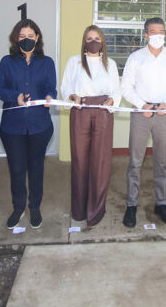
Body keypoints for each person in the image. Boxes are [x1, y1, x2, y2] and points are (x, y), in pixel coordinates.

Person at [120, 17, 166, 228]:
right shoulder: (135, 58)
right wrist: (142, 105)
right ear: (146, 35)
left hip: (165, 113)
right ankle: (131, 205)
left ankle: (161, 203)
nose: (158, 35)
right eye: (153, 32)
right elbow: (126, 87)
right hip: (141, 113)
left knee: (161, 161)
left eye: (161, 31)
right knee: (135, 162)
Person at [0, 19, 57, 230]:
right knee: (17, 169)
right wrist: (15, 96)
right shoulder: (6, 62)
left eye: (31, 36)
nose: (27, 40)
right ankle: (19, 207)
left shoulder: (47, 62)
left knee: (36, 168)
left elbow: (51, 87)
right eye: (22, 36)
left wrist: (50, 95)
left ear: (37, 37)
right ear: (15, 39)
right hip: (12, 128)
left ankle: (35, 207)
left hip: (40, 126)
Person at [61, 25, 121, 228]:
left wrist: (113, 100)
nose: (93, 41)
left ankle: (95, 211)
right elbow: (65, 87)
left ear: (102, 41)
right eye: (89, 38)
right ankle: (78, 210)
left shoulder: (110, 64)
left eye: (97, 38)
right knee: (80, 160)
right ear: (84, 41)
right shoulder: (73, 61)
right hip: (80, 110)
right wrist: (72, 96)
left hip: (103, 112)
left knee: (100, 162)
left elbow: (116, 90)